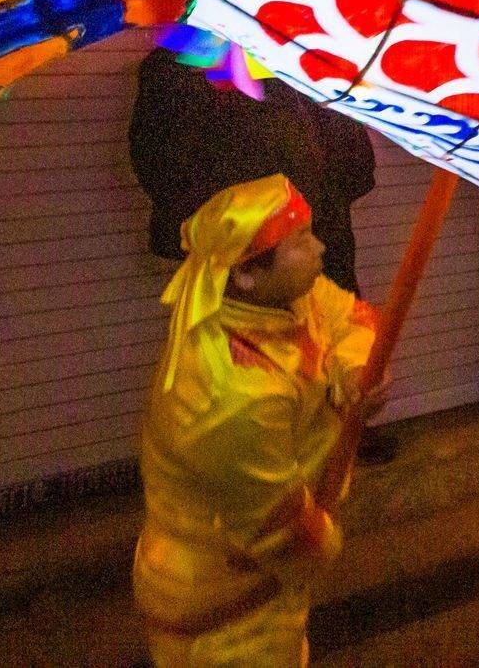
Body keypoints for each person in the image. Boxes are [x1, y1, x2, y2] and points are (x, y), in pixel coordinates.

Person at [133, 174, 386, 666]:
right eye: (299, 238)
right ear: (247, 273)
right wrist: (327, 535)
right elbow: (280, 531)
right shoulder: (233, 393)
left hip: (262, 581)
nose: (320, 246)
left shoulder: (281, 297)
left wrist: (353, 367)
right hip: (223, 603)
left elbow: (350, 315)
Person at [129, 47, 397, 463]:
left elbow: (342, 128)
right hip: (248, 255)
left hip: (316, 223)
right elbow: (158, 159)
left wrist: (339, 189)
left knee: (331, 322)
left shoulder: (305, 52)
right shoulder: (180, 64)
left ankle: (345, 427)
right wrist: (224, 231)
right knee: (246, 359)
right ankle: (264, 448)